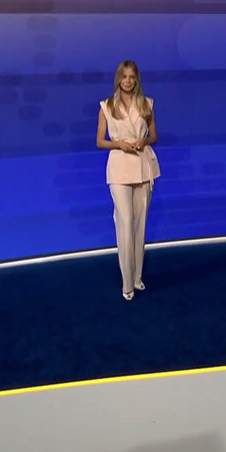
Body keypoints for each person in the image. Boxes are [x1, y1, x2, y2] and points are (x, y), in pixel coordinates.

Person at [96, 60, 160, 301]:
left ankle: (137, 277)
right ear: (118, 79)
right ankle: (126, 284)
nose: (128, 81)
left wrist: (144, 140)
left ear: (136, 79)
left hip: (143, 166)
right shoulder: (107, 106)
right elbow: (100, 141)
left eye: (132, 77)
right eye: (124, 76)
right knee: (124, 222)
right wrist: (119, 144)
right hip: (120, 167)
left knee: (140, 224)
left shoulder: (147, 104)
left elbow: (154, 136)